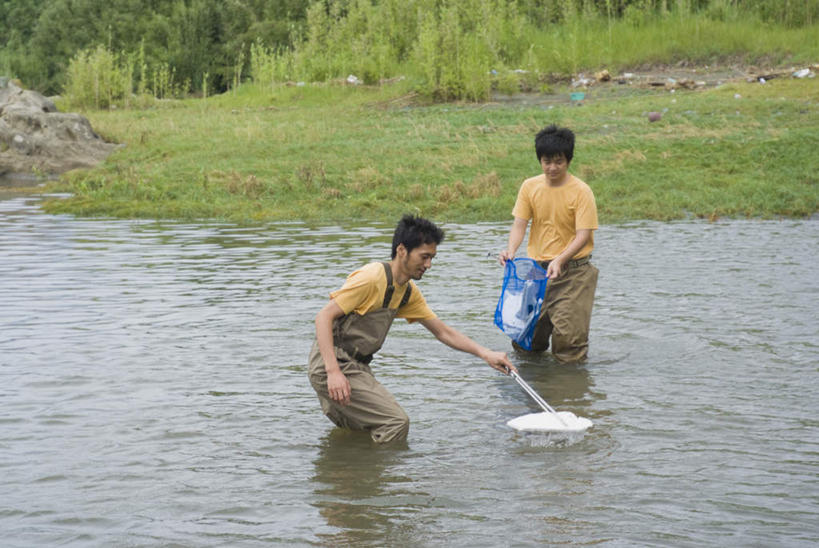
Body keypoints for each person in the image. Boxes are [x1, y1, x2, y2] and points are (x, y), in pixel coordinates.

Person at [309, 214, 516, 444]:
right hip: (331, 364)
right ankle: (381, 479)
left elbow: (442, 332)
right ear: (401, 250)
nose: (428, 265)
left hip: (356, 366)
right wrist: (333, 373)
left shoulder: (407, 291)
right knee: (395, 422)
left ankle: (351, 475)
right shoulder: (371, 277)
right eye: (424, 257)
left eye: (432, 258)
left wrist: (486, 353)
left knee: (361, 435)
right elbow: (323, 317)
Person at [498, 125, 599, 362]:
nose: (552, 167)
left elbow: (583, 235)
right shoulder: (530, 187)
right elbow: (520, 224)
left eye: (558, 161)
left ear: (568, 161)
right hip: (537, 270)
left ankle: (569, 393)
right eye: (546, 161)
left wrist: (560, 259)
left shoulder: (582, 191)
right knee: (527, 339)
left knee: (569, 343)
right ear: (539, 160)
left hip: (574, 271)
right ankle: (531, 386)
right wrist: (511, 251)